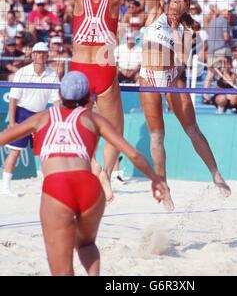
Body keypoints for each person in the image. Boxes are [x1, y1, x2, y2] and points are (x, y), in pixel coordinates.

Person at [0, 71, 166, 275]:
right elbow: (133, 154)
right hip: (89, 187)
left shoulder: (42, 118)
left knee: (62, 271)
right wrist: (156, 179)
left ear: (60, 96)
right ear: (89, 97)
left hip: (57, 187)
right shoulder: (94, 119)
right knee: (87, 245)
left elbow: (3, 138)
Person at [71, 0, 158, 201]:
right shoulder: (114, 0)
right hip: (104, 68)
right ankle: (105, 175)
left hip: (78, 69)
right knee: (114, 131)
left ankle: (92, 164)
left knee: (77, 126)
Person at [139, 0, 231, 211]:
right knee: (157, 136)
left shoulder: (184, 31)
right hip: (148, 77)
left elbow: (182, 59)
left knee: (192, 129)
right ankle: (164, 187)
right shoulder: (155, 12)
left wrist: (176, 67)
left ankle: (216, 174)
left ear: (186, 7)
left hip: (170, 78)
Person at [1, 42, 60, 196]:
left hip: (40, 115)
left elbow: (56, 101)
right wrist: (13, 122)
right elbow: (13, 99)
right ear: (32, 55)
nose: (40, 55)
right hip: (23, 113)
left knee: (45, 153)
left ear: (47, 56)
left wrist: (58, 120)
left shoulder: (52, 74)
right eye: (37, 52)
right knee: (14, 152)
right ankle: (5, 187)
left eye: (43, 53)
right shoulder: (23, 72)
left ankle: (47, 187)